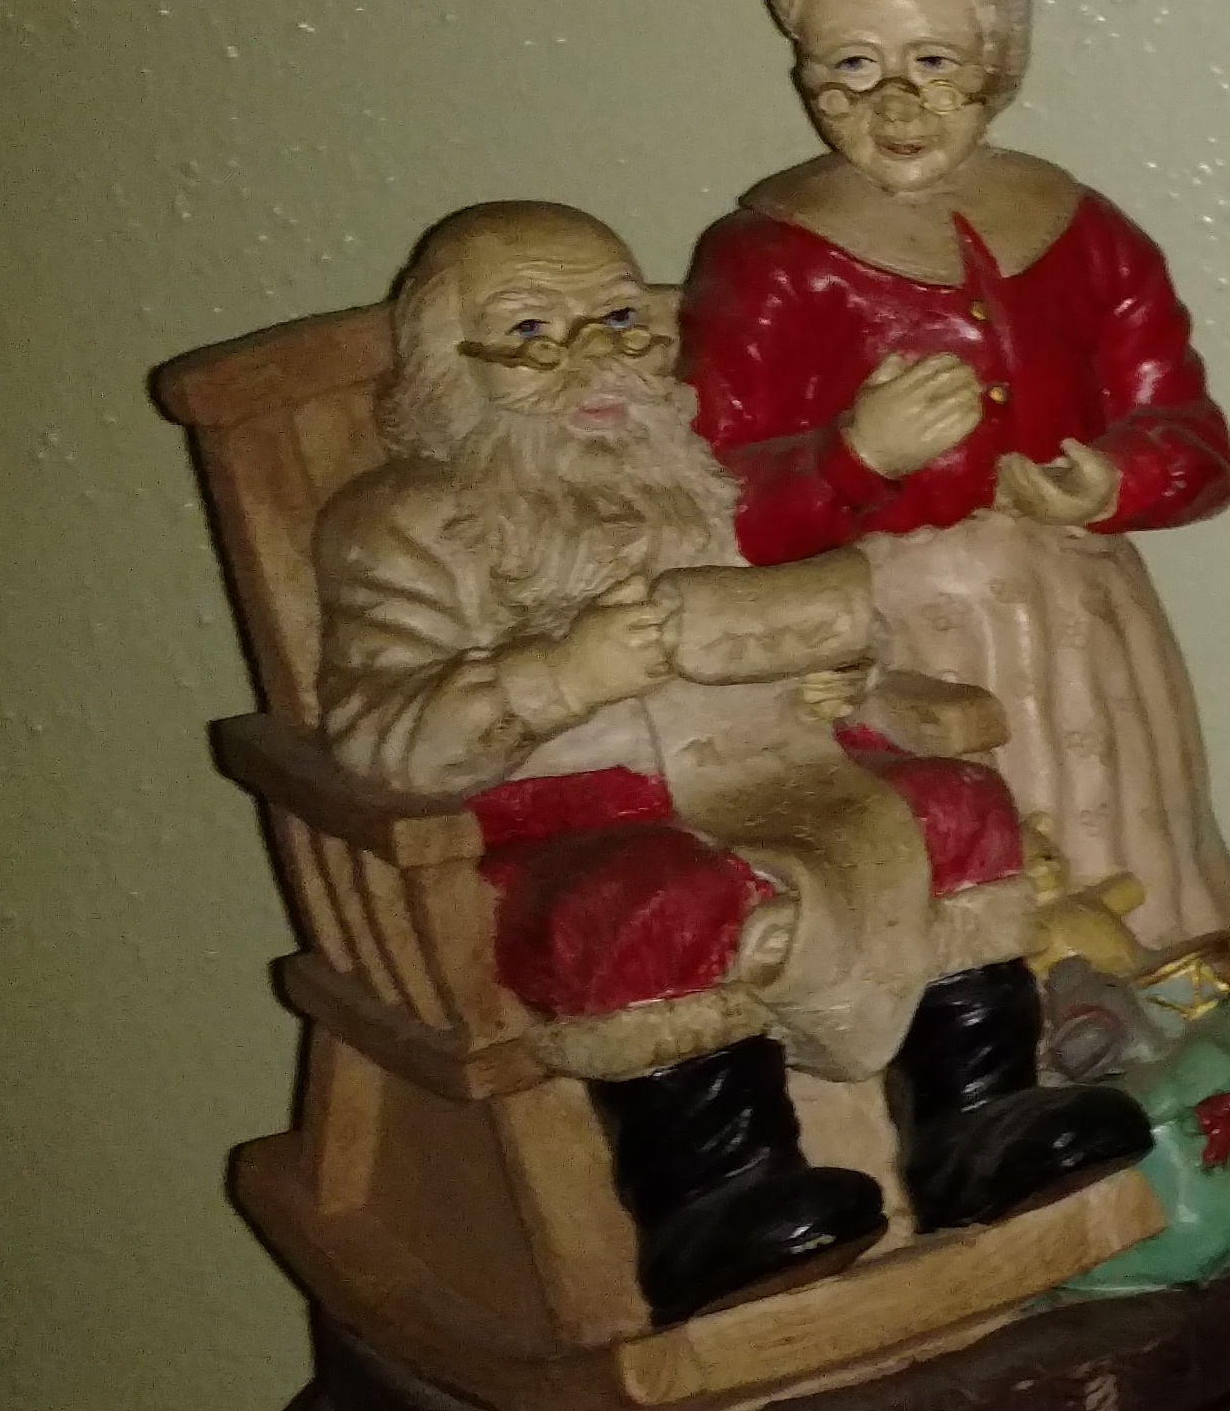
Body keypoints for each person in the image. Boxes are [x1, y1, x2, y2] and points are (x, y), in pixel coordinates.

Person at [319, 203, 1145, 1319]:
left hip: (787, 767)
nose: (593, 359)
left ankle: (977, 1121)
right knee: (653, 898)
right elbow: (375, 733)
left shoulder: (701, 479)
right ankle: (719, 1197)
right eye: (529, 333)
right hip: (584, 814)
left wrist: (842, 677)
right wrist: (557, 673)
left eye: (621, 320)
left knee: (956, 808)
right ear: (447, 369)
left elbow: (817, 607)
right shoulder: (405, 525)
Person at [680, 0, 1230, 974]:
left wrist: (1116, 479)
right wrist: (855, 456)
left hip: (1083, 621)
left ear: (998, 68)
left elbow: (1194, 437)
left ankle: (1167, 1039)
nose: (895, 101)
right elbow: (706, 500)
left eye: (934, 62)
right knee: (962, 897)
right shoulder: (770, 260)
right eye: (853, 65)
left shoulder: (1084, 233)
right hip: (890, 629)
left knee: (1126, 853)